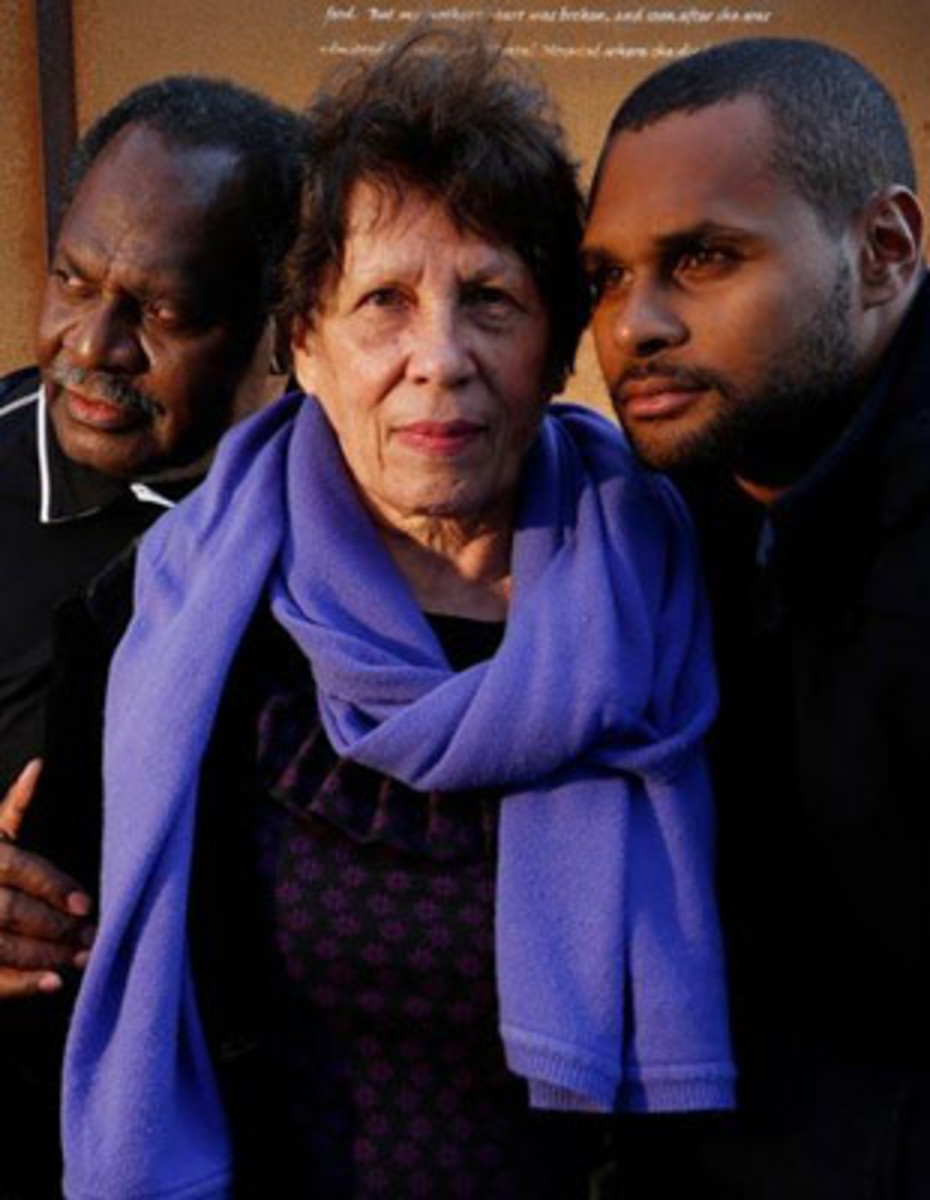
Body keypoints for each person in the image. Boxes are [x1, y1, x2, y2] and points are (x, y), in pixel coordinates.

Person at [57, 30, 733, 1199]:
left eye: (491, 300)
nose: (440, 357)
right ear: (305, 342)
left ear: (557, 348)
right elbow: (60, 968)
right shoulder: (156, 615)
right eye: (383, 301)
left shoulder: (682, 579)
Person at [583, 36, 930, 1199]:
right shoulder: (657, 511)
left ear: (884, 251)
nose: (633, 326)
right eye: (605, 277)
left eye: (703, 258)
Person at [0, 75, 300, 1197]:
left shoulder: (358, 506)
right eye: (73, 281)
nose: (93, 344)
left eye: (164, 312)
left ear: (282, 320)